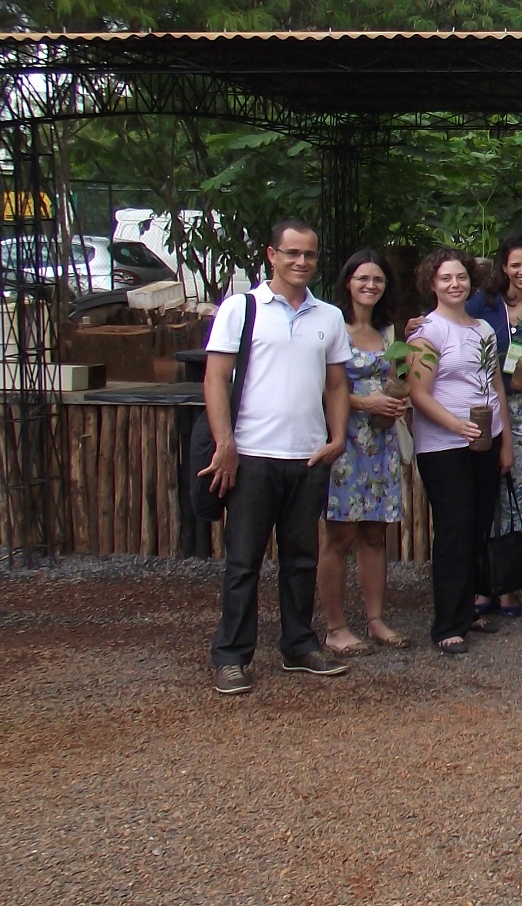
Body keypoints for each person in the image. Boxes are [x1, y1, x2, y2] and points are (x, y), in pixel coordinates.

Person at [203, 219, 352, 695]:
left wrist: (338, 436)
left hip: (307, 456)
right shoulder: (242, 308)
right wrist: (225, 444)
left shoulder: (328, 316)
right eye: (292, 253)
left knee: (301, 558)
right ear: (272, 254)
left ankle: (298, 644)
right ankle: (231, 656)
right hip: (252, 455)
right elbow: (214, 379)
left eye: (309, 254)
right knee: (243, 560)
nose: (301, 262)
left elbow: (335, 384)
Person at [406, 248, 514, 655]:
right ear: (432, 284)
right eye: (446, 278)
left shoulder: (483, 329)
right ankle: (447, 623)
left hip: (484, 440)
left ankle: (468, 608)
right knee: (454, 528)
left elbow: (495, 386)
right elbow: (418, 392)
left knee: (478, 525)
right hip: (443, 444)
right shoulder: (427, 332)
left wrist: (504, 441)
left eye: (461, 277)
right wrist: (455, 425)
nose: (455, 284)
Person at [316, 250, 410, 657]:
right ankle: (335, 625)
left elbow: (401, 379)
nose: (370, 286)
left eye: (378, 280)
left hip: (382, 442)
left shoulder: (392, 334)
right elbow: (320, 386)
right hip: (343, 438)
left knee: (375, 532)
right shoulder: (330, 326)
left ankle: (375, 619)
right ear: (348, 282)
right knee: (339, 535)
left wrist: (396, 397)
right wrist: (363, 403)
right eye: (362, 279)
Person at [479, 235, 522, 615]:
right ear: (503, 266)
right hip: (482, 405)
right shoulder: (482, 304)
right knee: (484, 491)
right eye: (515, 265)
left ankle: (506, 584)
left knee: (515, 491)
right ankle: (481, 582)